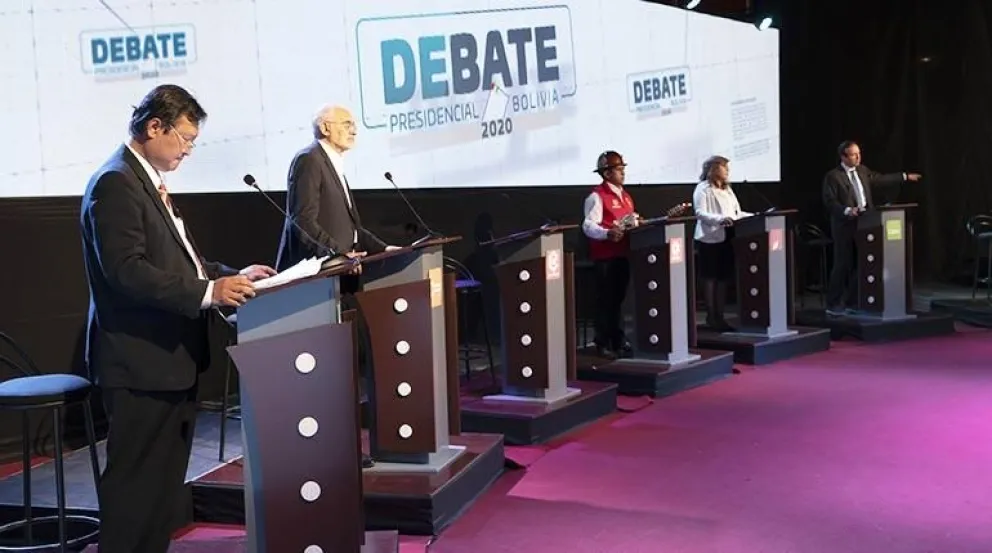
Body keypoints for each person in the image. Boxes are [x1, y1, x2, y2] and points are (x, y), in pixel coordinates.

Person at [80, 84, 276, 553]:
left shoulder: (143, 180)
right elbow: (127, 271)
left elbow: (181, 263)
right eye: (185, 138)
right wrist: (210, 292)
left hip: (169, 360)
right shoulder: (115, 183)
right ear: (155, 127)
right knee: (135, 487)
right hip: (140, 361)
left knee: (161, 487)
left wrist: (230, 276)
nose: (188, 150)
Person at [275, 104, 396, 468]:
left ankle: (342, 446)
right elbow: (302, 221)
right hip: (316, 283)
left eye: (355, 123)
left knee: (342, 366)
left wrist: (385, 249)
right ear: (325, 127)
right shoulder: (309, 160)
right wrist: (337, 255)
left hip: (341, 281)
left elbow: (353, 229)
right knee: (323, 371)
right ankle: (326, 450)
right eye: (346, 123)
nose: (354, 128)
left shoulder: (333, 164)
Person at [822, 140, 921, 316]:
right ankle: (833, 303)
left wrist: (904, 176)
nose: (858, 157)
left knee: (863, 262)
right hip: (845, 225)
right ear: (843, 157)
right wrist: (847, 210)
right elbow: (830, 201)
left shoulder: (862, 170)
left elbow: (881, 179)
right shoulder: (833, 176)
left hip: (866, 222)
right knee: (842, 263)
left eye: (859, 153)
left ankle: (853, 301)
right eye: (853, 154)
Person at [582, 151, 639, 359]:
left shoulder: (625, 196)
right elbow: (588, 225)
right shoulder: (597, 196)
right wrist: (606, 233)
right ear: (607, 173)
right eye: (619, 170)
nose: (623, 173)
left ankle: (618, 340)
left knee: (618, 300)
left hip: (622, 254)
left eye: (623, 169)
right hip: (605, 256)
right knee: (606, 300)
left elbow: (626, 220)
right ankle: (602, 342)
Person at [692, 155, 752, 331]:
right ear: (713, 169)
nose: (727, 171)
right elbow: (700, 213)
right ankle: (712, 316)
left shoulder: (728, 190)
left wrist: (756, 216)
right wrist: (720, 219)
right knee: (710, 277)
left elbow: (736, 213)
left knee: (723, 277)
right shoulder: (703, 188)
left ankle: (720, 315)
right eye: (724, 167)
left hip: (728, 236)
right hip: (709, 238)